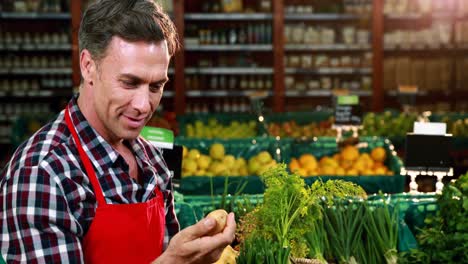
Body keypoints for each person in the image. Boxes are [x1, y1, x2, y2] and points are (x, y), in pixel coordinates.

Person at [0, 0, 236, 263]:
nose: (143, 105)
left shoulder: (152, 160)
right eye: (129, 82)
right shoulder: (43, 174)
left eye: (156, 86)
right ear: (88, 66)